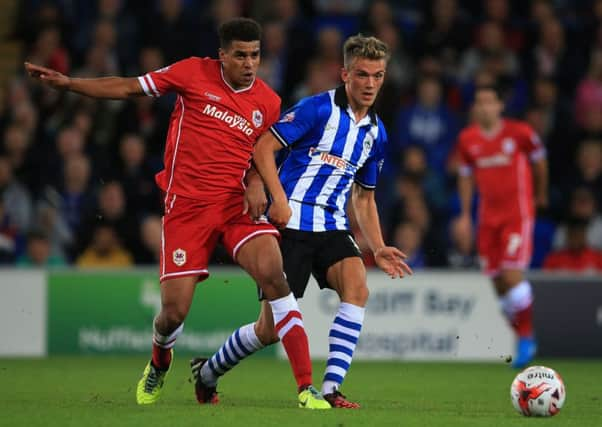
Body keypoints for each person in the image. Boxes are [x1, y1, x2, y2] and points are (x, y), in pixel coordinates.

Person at [25, 17, 329, 409]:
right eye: (240, 55)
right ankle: (159, 362)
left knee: (275, 275)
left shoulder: (268, 101)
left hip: (236, 207)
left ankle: (306, 388)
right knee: (173, 313)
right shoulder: (192, 72)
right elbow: (129, 86)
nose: (249, 63)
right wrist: (70, 85)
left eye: (254, 55)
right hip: (187, 209)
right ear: (222, 56)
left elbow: (264, 154)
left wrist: (256, 183)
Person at [191, 35, 411, 409]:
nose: (370, 84)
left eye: (378, 76)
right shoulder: (316, 110)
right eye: (362, 75)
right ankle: (208, 372)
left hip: (332, 226)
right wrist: (277, 199)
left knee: (357, 289)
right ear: (345, 74)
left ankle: (330, 389)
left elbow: (364, 196)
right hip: (290, 223)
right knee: (269, 330)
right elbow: (264, 146)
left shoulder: (377, 133)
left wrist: (377, 246)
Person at [455, 85, 548, 368]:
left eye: (489, 102)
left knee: (510, 273)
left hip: (516, 215)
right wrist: (464, 215)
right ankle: (521, 336)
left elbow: (540, 161)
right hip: (487, 220)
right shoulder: (467, 139)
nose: (484, 107)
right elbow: (466, 176)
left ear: (499, 106)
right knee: (497, 282)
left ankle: (527, 337)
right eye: (479, 102)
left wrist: (540, 193)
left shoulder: (519, 133)